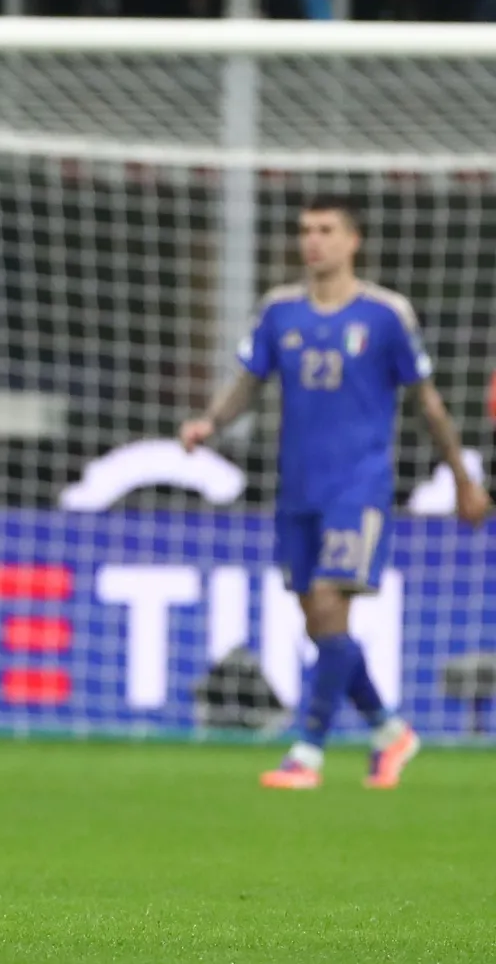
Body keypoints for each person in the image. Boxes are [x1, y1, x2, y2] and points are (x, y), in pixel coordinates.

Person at [181, 196, 488, 790]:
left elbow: (426, 401)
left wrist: (462, 478)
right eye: (304, 230)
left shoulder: (385, 315)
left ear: (353, 241)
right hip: (298, 489)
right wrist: (209, 423)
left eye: (325, 230)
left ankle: (307, 753)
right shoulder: (280, 311)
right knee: (320, 625)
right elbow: (248, 381)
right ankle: (389, 730)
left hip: (359, 487)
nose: (312, 241)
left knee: (328, 602)